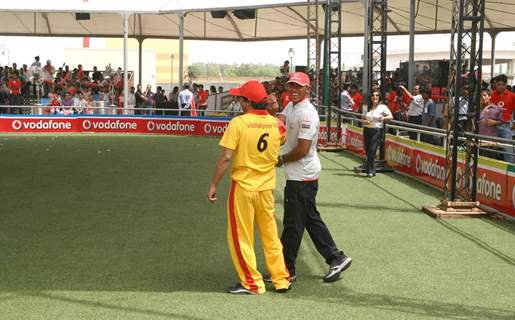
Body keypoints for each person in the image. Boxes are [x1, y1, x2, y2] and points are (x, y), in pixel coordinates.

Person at [207, 80, 291, 295]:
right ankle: (281, 279)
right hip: (266, 188)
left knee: (241, 236)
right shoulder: (277, 124)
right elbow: (281, 140)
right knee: (270, 235)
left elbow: (226, 157)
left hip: (244, 187)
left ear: (247, 102)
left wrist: (214, 184)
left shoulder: (239, 123)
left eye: (240, 97)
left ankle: (252, 283)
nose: (238, 100)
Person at [275, 72, 352, 283]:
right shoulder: (292, 106)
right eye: (291, 86)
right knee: (309, 219)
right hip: (301, 175)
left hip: (301, 176)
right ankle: (336, 257)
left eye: (298, 87)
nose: (293, 90)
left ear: (308, 89)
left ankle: (286, 270)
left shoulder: (308, 113)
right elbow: (280, 120)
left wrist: (280, 159)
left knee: (293, 225)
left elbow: (302, 149)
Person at [362, 90, 393, 176]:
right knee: (368, 151)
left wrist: (383, 118)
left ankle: (369, 171)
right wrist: (365, 122)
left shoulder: (383, 107)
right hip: (367, 129)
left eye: (376, 95)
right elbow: (362, 118)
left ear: (379, 97)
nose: (374, 97)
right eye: (373, 95)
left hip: (377, 130)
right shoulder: (366, 106)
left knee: (372, 150)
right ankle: (372, 169)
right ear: (370, 97)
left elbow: (391, 116)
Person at [492, 74, 515, 163]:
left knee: (508, 151)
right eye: (499, 84)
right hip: (493, 126)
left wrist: (514, 122)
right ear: (495, 85)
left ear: (505, 85)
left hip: (506, 126)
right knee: (491, 149)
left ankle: (511, 172)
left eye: (503, 84)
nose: (501, 86)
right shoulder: (492, 95)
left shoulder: (512, 96)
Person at [479, 89, 503, 159]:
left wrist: (494, 122)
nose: (483, 97)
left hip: (491, 141)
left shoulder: (497, 109)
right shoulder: (478, 109)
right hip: (480, 140)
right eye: (481, 96)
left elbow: (502, 122)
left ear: (490, 97)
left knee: (491, 160)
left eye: (484, 95)